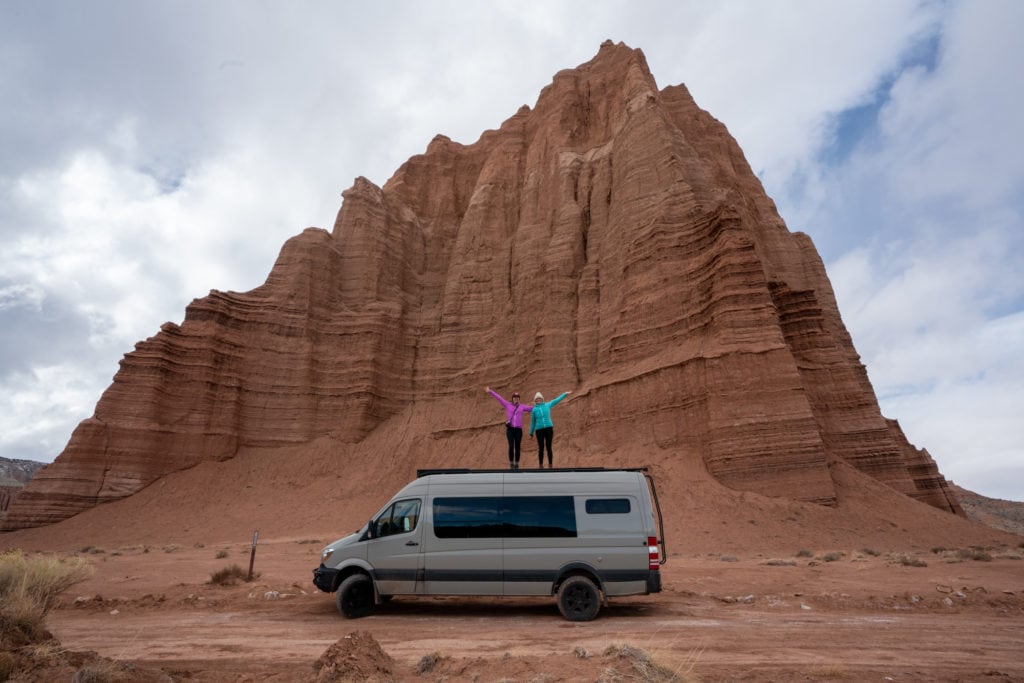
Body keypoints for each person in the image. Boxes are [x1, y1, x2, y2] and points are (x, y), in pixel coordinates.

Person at [485, 387, 533, 470]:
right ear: (512, 398)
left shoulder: (522, 406)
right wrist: (490, 391)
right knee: (511, 446)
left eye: (517, 398)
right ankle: (511, 463)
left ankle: (516, 464)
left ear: (519, 399)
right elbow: (499, 398)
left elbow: (532, 408)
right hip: (510, 429)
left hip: (518, 430)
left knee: (517, 447)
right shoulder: (507, 404)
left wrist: (542, 406)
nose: (516, 399)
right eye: (515, 398)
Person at [529, 390, 571, 468]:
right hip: (539, 430)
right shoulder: (534, 410)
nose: (538, 400)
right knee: (541, 447)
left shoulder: (547, 405)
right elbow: (533, 422)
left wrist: (564, 394)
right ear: (535, 400)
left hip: (548, 428)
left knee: (549, 447)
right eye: (537, 399)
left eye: (540, 398)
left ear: (542, 399)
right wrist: (531, 433)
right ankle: (541, 465)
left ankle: (550, 464)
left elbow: (556, 400)